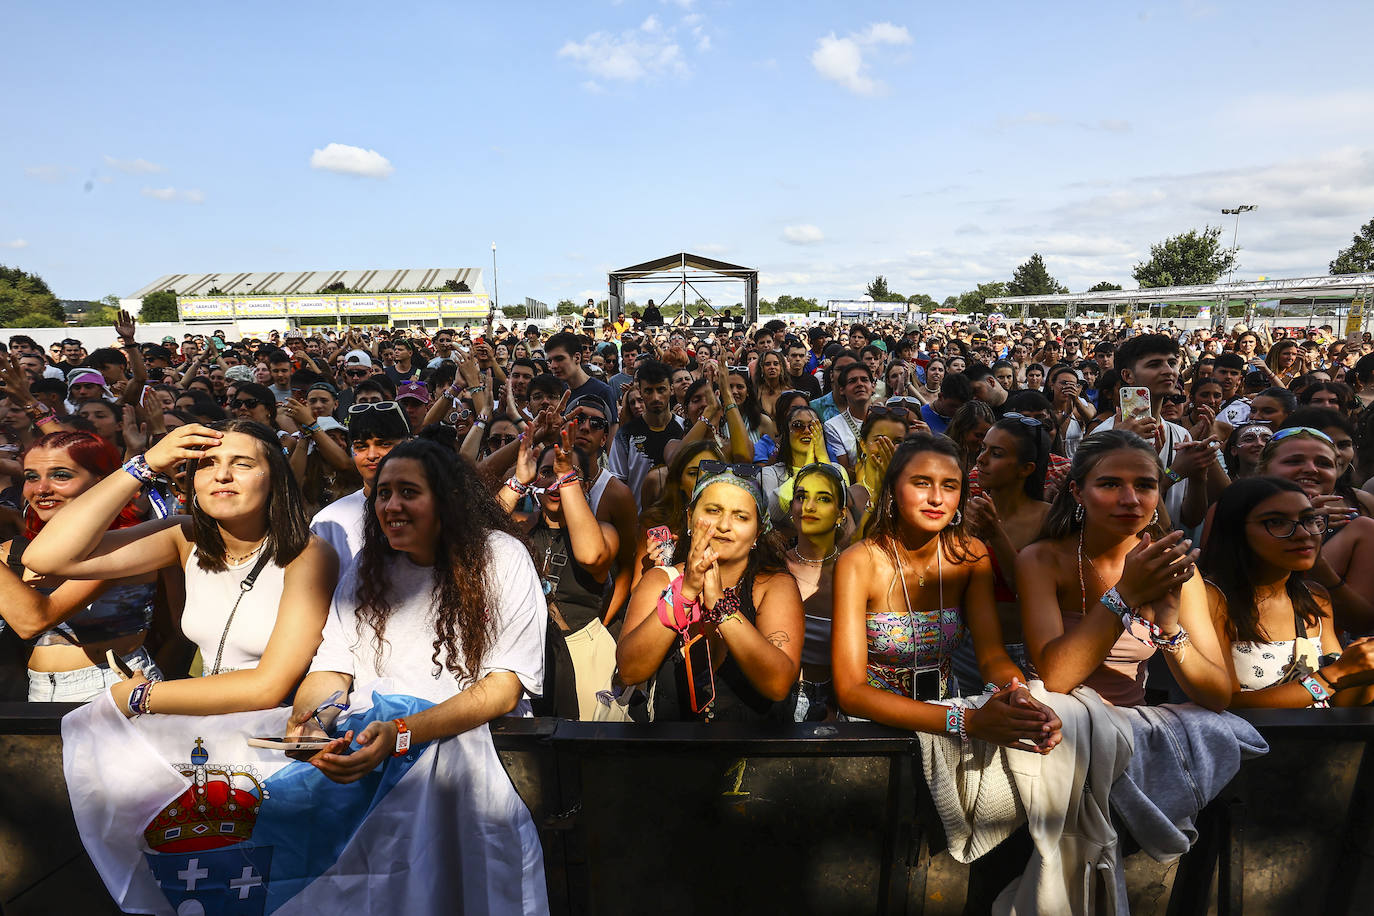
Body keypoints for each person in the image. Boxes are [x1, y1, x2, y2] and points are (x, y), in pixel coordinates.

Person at [285, 438, 547, 913]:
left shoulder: (502, 557)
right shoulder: (368, 566)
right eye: (383, 493)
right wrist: (314, 720)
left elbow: (503, 688)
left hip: (466, 773)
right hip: (367, 764)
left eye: (408, 492)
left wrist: (402, 733)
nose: (391, 505)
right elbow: (333, 667)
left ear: (446, 499)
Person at [23, 420, 338, 716]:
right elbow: (47, 558)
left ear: (275, 479)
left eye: (242, 463)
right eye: (208, 463)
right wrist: (144, 465)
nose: (222, 475)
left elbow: (266, 687)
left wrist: (140, 697)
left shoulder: (307, 554)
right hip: (204, 729)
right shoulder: (184, 537)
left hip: (271, 734)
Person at [832, 435, 1061, 747]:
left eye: (950, 486)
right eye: (922, 483)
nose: (937, 498)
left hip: (947, 730)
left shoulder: (970, 555)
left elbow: (992, 655)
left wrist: (1019, 696)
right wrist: (967, 721)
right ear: (893, 489)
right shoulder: (859, 562)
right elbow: (851, 691)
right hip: (874, 731)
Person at [1017, 430, 1231, 711]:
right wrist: (1125, 595)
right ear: (1078, 492)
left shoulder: (1170, 567)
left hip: (1133, 734)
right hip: (1052, 729)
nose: (1130, 499)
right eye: (1110, 485)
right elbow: (1056, 679)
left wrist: (1169, 632)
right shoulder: (1041, 560)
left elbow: (1218, 696)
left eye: (1144, 485)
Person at [616, 465, 803, 722]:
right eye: (713, 511)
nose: (724, 525)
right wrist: (685, 593)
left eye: (741, 516)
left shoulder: (773, 585)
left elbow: (778, 683)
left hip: (754, 755)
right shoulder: (660, 580)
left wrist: (720, 606)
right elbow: (629, 671)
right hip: (672, 751)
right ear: (691, 516)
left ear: (758, 531)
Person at [0, 432, 162, 701]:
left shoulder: (126, 546)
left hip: (112, 686)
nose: (41, 489)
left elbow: (34, 620)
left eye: (60, 475)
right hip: (37, 692)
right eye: (31, 476)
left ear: (102, 483)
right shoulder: (12, 552)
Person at [1200, 476, 1374, 708]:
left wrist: (1362, 671)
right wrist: (1332, 677)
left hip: (1322, 742)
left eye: (1309, 520)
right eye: (1276, 522)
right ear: (1235, 530)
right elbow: (1229, 705)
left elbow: (1341, 699)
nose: (1303, 533)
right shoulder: (1211, 598)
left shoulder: (1315, 598)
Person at [501, 429, 618, 719]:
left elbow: (590, 555)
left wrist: (568, 482)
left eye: (566, 473)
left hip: (584, 654)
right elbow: (477, 540)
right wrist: (517, 482)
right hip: (526, 654)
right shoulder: (519, 527)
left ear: (586, 485)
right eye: (547, 473)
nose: (555, 481)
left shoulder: (605, 532)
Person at [310, 402, 411, 569]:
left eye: (384, 444)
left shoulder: (433, 510)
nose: (371, 455)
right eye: (361, 446)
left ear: (409, 445)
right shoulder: (327, 521)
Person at [787, 462, 849, 721]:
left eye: (823, 498)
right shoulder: (771, 566)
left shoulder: (853, 572)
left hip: (838, 705)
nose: (809, 507)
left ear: (841, 514)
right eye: (801, 497)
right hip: (774, 704)